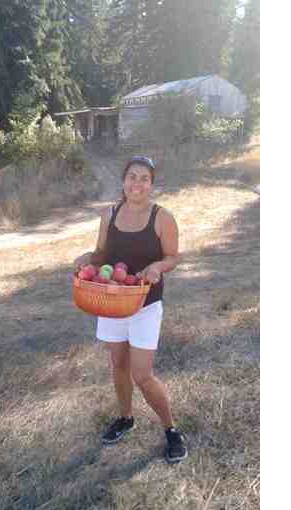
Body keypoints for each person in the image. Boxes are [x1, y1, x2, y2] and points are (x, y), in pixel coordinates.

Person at [74, 155, 188, 464]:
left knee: (143, 375)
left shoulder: (162, 217)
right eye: (132, 177)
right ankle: (125, 418)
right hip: (112, 301)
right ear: (124, 181)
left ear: (151, 184)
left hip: (145, 304)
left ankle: (171, 430)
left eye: (144, 178)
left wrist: (158, 267)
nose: (137, 183)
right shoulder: (109, 215)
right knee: (119, 364)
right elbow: (101, 254)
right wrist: (88, 259)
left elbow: (173, 256)